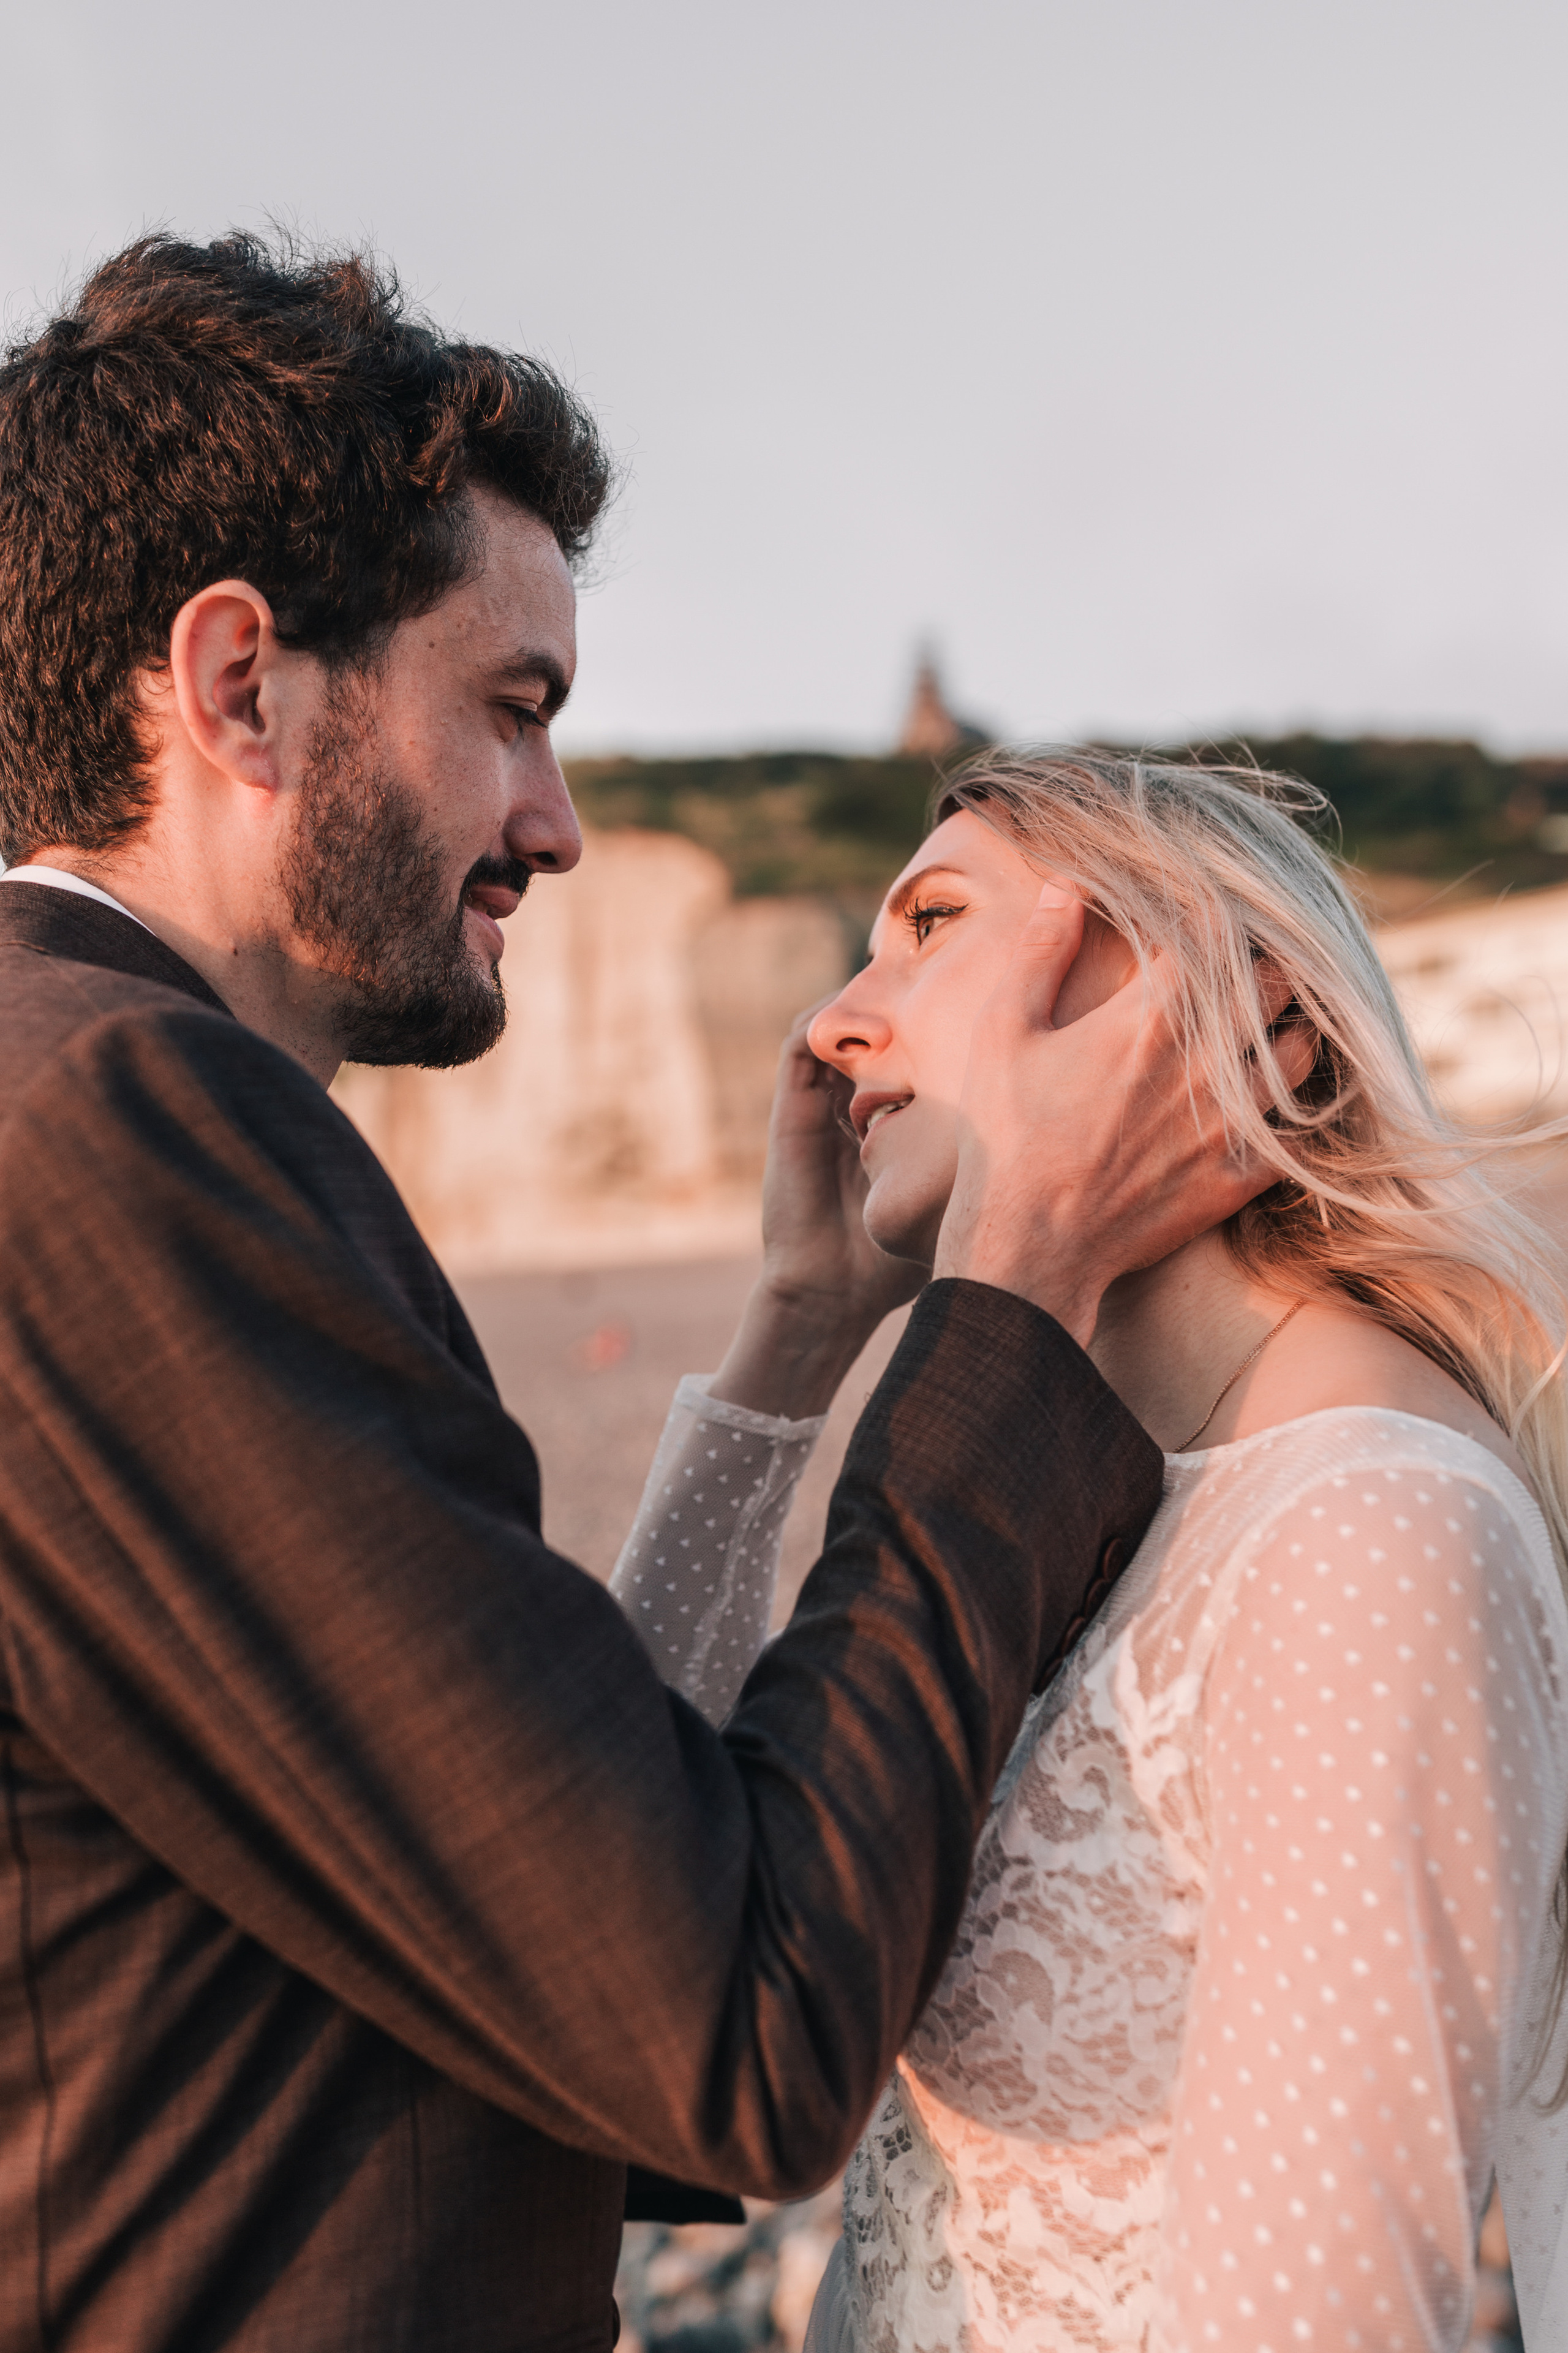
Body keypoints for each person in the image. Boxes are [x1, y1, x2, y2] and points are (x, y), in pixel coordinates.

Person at [0, 237, 1263, 2353]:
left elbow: (551, 1916)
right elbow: (731, 2031)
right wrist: (1021, 1289)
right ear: (239, 689)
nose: (557, 825)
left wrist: (793, 1344)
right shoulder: (123, 1129)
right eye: (512, 712)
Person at [614, 748, 1568, 2353]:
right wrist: (795, 1330)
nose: (832, 1022)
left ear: (1186, 987)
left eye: (927, 923)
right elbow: (632, 1924)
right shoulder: (1087, 1491)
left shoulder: (1365, 1531)